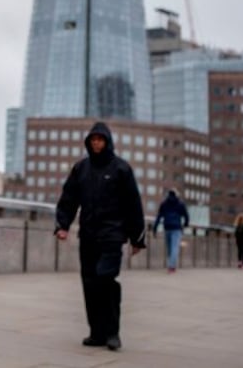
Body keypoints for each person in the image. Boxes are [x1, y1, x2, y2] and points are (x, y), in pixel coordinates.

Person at [55, 122, 146, 352]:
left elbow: (133, 205)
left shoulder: (121, 169)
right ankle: (96, 333)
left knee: (106, 280)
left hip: (112, 235)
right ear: (88, 142)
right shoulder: (81, 169)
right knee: (90, 283)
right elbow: (69, 198)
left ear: (107, 142)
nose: (96, 143)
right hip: (88, 235)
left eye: (100, 139)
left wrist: (137, 238)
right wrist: (62, 225)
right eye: (93, 140)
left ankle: (113, 332)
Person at [152, 188, 189, 273]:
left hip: (167, 227)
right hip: (177, 228)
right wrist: (186, 224)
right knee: (174, 248)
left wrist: (155, 228)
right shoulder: (180, 204)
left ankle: (171, 265)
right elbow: (186, 215)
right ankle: (172, 267)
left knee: (169, 248)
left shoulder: (164, 204)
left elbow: (159, 217)